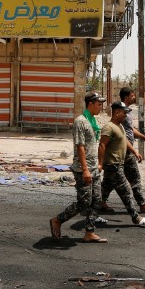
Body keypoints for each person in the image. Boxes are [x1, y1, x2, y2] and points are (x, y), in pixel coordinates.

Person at [49, 92, 107, 243]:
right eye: (98, 104)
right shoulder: (80, 121)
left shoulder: (92, 121)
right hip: (83, 169)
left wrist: (98, 164)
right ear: (90, 104)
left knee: (97, 200)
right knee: (84, 202)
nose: (100, 107)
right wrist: (85, 169)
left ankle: (89, 232)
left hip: (93, 168)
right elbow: (80, 147)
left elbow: (94, 144)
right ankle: (58, 220)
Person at [100, 86, 145, 214]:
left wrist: (144, 138)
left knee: (109, 181)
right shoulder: (120, 114)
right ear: (126, 97)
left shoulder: (125, 113)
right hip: (124, 151)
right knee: (134, 178)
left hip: (123, 151)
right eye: (132, 96)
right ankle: (141, 205)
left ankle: (100, 202)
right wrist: (134, 151)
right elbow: (123, 136)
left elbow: (130, 130)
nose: (134, 97)